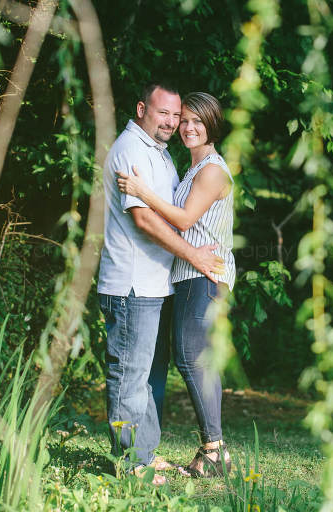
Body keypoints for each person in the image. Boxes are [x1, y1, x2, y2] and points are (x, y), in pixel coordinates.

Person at [98, 84, 224, 484]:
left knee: (149, 376)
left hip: (157, 285)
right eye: (166, 114)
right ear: (142, 109)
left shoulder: (163, 155)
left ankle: (145, 455)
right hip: (131, 283)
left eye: (179, 116)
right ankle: (132, 463)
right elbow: (145, 219)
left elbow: (175, 214)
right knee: (129, 376)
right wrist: (193, 254)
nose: (173, 123)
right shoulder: (131, 149)